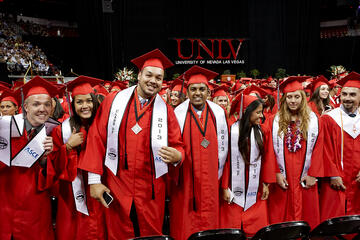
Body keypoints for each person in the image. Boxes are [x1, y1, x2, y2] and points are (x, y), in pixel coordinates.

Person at [79, 49, 185, 239]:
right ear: (139, 75)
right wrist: (94, 181)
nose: (153, 80)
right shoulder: (114, 101)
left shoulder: (166, 111)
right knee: (119, 233)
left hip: (151, 188)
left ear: (163, 82)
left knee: (150, 235)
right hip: (118, 183)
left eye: (158, 77)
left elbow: (178, 145)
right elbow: (96, 139)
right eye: (149, 75)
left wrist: (178, 156)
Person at [171, 65, 228, 240]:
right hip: (187, 179)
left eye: (202, 89)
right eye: (193, 89)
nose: (197, 93)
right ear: (186, 92)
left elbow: (224, 149)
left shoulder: (218, 113)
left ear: (208, 92)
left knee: (210, 220)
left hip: (211, 178)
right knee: (185, 221)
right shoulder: (177, 114)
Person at [0, 76, 58, 240]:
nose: (42, 109)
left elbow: (55, 184)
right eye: (36, 104)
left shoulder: (54, 133)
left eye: (47, 104)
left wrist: (46, 161)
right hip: (5, 206)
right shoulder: (5, 129)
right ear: (25, 106)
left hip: (36, 211)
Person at [48, 76, 105, 240]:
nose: (85, 106)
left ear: (94, 102)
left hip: (99, 188)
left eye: (89, 101)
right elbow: (54, 166)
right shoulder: (61, 131)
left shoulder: (103, 126)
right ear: (73, 105)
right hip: (72, 194)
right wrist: (68, 147)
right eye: (79, 102)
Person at [265, 76, 324, 229]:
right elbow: (269, 150)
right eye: (289, 97)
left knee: (306, 215)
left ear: (303, 98)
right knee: (281, 218)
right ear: (284, 99)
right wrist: (276, 173)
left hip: (304, 176)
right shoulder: (273, 120)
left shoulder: (315, 120)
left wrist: (313, 174)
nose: (293, 101)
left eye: (297, 97)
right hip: (282, 178)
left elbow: (319, 148)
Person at [220, 94, 276, 237]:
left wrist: (265, 183)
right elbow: (224, 161)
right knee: (232, 231)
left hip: (255, 190)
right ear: (246, 112)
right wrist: (225, 187)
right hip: (233, 190)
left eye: (262, 112)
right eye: (258, 112)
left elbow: (268, 158)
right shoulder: (229, 130)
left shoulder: (262, 131)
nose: (261, 116)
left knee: (256, 231)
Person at [320, 72, 360, 221]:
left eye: (352, 95)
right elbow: (324, 150)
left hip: (357, 180)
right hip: (337, 180)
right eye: (344, 94)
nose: (347, 98)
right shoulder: (329, 119)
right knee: (334, 217)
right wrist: (333, 174)